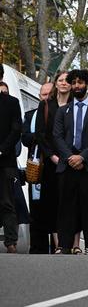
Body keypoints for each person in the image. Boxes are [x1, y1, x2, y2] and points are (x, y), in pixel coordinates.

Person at [53, 69, 88, 254]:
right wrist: (70, 158)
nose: (77, 86)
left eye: (80, 82)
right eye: (74, 82)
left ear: (86, 84)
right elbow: (57, 137)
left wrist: (82, 157)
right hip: (67, 166)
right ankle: (65, 245)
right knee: (66, 207)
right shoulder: (62, 111)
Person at [35, 72, 79, 253]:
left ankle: (75, 244)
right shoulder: (45, 105)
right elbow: (40, 135)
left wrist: (71, 158)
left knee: (73, 202)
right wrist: (53, 156)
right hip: (51, 164)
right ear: (55, 84)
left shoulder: (76, 105)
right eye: (60, 80)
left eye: (67, 81)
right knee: (52, 203)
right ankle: (59, 244)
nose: (63, 83)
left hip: (73, 161)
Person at [21, 82, 52, 254]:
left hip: (53, 167)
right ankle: (37, 248)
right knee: (36, 208)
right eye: (43, 94)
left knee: (53, 207)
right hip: (36, 166)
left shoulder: (59, 114)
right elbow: (25, 138)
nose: (46, 98)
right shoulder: (30, 115)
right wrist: (40, 136)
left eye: (49, 94)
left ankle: (57, 246)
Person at [0, 65, 22, 253]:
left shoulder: (12, 102)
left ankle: (11, 242)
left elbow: (16, 129)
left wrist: (2, 150)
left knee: (7, 201)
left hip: (6, 161)